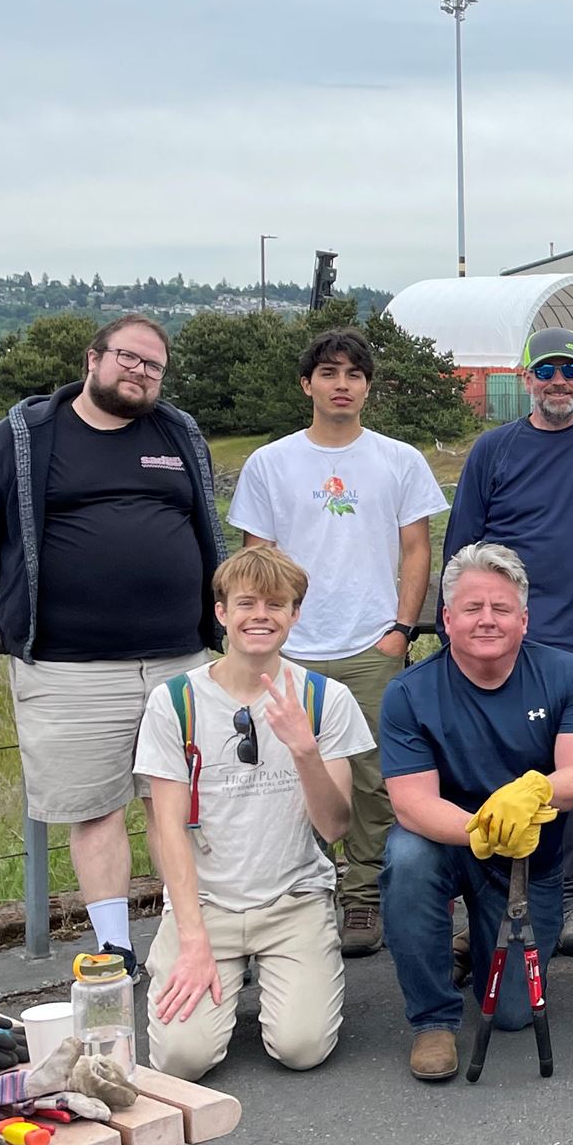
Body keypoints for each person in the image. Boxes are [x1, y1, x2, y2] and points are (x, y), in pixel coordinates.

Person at [0, 313, 225, 965]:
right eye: (129, 358)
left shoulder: (178, 433)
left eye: (153, 365)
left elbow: (206, 528)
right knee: (95, 810)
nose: (140, 372)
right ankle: (115, 951)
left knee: (183, 811)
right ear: (92, 359)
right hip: (69, 668)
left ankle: (194, 942)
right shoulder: (24, 437)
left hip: (179, 659)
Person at [229, 326, 449, 957]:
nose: (342, 384)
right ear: (307, 384)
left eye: (354, 374)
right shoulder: (271, 463)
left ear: (368, 387)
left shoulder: (399, 460)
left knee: (374, 777)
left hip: (370, 646)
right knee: (278, 774)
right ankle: (289, 899)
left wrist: (399, 631)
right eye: (329, 373)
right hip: (290, 650)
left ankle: (362, 899)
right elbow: (257, 562)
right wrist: (266, 639)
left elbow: (415, 549)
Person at [134, 546, 375, 1081]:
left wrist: (305, 751)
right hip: (205, 903)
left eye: (276, 604)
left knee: (301, 1048)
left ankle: (284, 973)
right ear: (221, 613)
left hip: (292, 899)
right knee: (181, 1060)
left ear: (295, 614)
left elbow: (334, 826)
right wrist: (193, 937)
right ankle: (206, 966)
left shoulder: (323, 698)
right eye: (245, 603)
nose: (260, 615)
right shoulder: (175, 702)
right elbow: (166, 828)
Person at [379, 544, 573, 1083]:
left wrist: (529, 793)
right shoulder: (408, 693)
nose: (487, 619)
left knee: (511, 1015)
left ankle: (471, 946)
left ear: (524, 619)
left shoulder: (569, 675)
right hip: (449, 845)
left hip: (531, 861)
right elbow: (411, 802)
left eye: (501, 609)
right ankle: (433, 1019)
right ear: (447, 618)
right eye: (473, 607)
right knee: (405, 857)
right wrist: (484, 830)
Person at [443, 325, 573, 954]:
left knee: (571, 779)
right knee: (483, 770)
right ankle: (483, 899)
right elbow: (461, 551)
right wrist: (461, 637)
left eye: (570, 370)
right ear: (525, 377)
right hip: (496, 639)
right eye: (545, 370)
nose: (558, 381)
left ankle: (569, 892)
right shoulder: (493, 450)